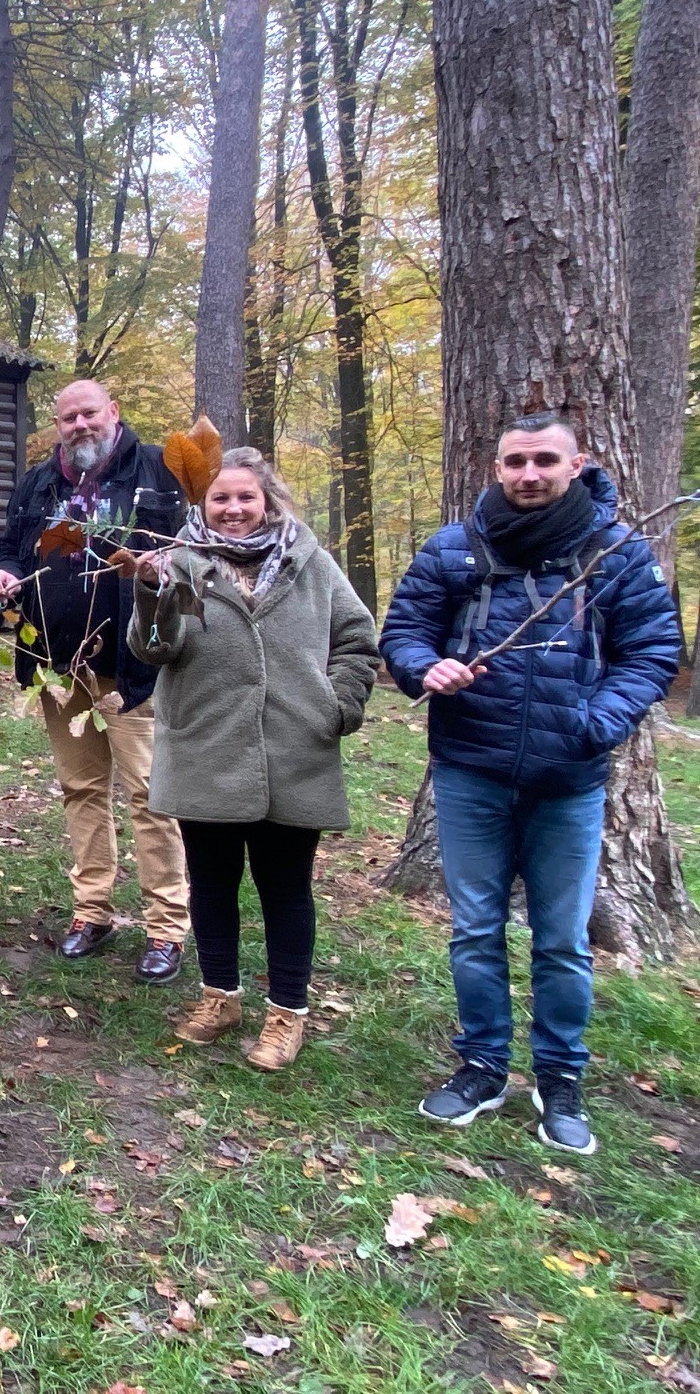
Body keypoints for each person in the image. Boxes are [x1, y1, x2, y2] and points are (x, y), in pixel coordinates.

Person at [382, 413, 680, 1153]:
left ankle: (560, 1079)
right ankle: (482, 1065)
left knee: (563, 940)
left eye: (545, 460)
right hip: (470, 770)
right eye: (516, 461)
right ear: (496, 467)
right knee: (475, 929)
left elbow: (652, 650)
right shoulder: (457, 549)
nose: (529, 474)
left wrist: (595, 721)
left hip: (568, 779)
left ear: (576, 465)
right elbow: (404, 631)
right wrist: (427, 667)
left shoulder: (614, 553)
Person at [130, 449, 379, 1071]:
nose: (234, 509)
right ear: (202, 505)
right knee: (211, 884)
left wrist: (338, 705)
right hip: (204, 746)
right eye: (220, 499)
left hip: (295, 748)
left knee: (285, 888)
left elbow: (356, 637)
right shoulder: (181, 562)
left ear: (268, 500)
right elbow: (154, 650)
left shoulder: (311, 563)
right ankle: (221, 997)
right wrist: (151, 593)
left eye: (245, 497)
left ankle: (287, 1013)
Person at [0, 379, 191, 982]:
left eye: (89, 413)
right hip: (58, 661)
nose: (79, 425)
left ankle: (166, 927)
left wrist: (169, 566)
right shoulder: (38, 482)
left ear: (114, 413)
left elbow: (199, 545)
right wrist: (3, 574)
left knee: (151, 796)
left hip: (134, 663)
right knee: (81, 790)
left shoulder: (159, 470)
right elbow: (9, 548)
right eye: (68, 417)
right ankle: (92, 911)